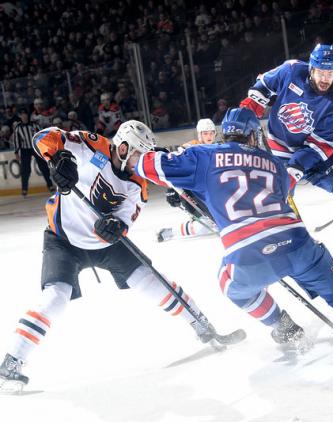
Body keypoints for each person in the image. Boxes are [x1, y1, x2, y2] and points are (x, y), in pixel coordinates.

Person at [134, 107, 333, 350]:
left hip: (249, 254)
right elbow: (273, 189)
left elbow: (146, 165)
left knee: (230, 285)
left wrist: (183, 184)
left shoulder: (204, 156)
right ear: (253, 134)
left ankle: (283, 327)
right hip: (298, 242)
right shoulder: (273, 163)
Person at [0, 122, 225, 393]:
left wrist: (116, 228)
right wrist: (59, 158)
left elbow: (125, 220)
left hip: (105, 245)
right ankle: (11, 361)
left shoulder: (137, 184)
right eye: (138, 155)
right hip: (63, 239)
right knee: (55, 296)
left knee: (151, 280)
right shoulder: (90, 146)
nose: (141, 163)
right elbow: (42, 138)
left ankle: (200, 323)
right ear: (123, 146)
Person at [239, 44, 333, 278]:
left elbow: (322, 145)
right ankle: (265, 248)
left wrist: (296, 168)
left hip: (310, 153)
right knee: (274, 201)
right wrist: (247, 111)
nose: (325, 79)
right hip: (278, 146)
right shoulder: (291, 70)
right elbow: (263, 87)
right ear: (311, 69)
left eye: (331, 74)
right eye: (321, 72)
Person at [157, 118, 220, 243]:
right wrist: (171, 189)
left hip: (210, 194)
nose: (209, 136)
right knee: (203, 226)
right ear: (199, 134)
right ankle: (169, 232)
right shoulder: (189, 148)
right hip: (191, 194)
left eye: (211, 133)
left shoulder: (218, 148)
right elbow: (174, 167)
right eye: (205, 133)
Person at [11, 108, 55, 196]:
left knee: (43, 167)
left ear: (27, 115)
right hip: (25, 150)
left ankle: (50, 185)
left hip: (35, 147)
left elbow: (41, 135)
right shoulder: (18, 127)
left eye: (25, 114)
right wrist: (16, 152)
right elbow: (16, 140)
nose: (24, 116)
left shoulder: (34, 125)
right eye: (22, 115)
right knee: (25, 170)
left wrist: (44, 147)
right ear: (20, 116)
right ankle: (24, 189)